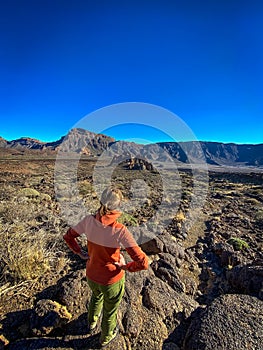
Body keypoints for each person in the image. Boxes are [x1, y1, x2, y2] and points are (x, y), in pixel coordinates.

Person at [63, 187, 148, 347]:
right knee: (110, 312)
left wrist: (80, 252)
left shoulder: (88, 221)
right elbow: (143, 262)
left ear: (101, 201)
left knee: (96, 296)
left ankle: (91, 323)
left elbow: (68, 236)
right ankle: (106, 337)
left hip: (91, 274)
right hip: (111, 281)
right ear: (118, 206)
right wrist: (125, 267)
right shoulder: (120, 230)